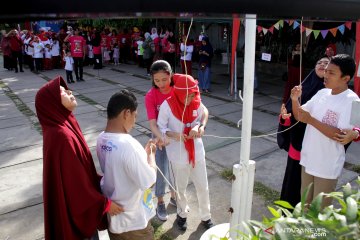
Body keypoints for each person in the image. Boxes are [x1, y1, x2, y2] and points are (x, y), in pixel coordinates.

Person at [35, 76, 123, 240]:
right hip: (77, 217)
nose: (69, 91)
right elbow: (75, 184)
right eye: (62, 92)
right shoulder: (61, 136)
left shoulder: (64, 124)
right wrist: (104, 204)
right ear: (52, 102)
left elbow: (80, 170)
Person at [291, 54, 360, 208]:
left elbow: (343, 135)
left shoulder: (353, 100)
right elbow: (300, 116)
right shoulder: (322, 93)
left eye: (331, 73)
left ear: (345, 78)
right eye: (326, 71)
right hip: (308, 159)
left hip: (327, 165)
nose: (325, 75)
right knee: (305, 206)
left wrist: (312, 120)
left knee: (320, 213)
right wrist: (295, 100)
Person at [96, 89, 157, 240]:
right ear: (126, 113)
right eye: (135, 116)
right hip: (134, 224)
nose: (134, 121)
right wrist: (151, 155)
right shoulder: (128, 144)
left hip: (115, 222)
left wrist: (142, 155)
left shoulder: (101, 139)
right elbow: (149, 181)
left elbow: (121, 166)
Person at [157, 74, 213, 231]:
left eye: (192, 95)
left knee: (203, 186)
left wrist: (200, 126)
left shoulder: (196, 101)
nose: (190, 99)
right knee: (180, 188)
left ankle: (206, 216)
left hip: (197, 151)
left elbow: (204, 112)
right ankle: (182, 214)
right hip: (178, 154)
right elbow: (161, 127)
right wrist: (174, 135)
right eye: (187, 96)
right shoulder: (167, 105)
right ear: (179, 92)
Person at [278, 56, 330, 208]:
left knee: (313, 190)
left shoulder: (335, 94)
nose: (322, 65)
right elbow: (289, 115)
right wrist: (285, 117)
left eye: (326, 63)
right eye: (319, 62)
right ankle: (287, 214)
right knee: (292, 182)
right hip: (298, 144)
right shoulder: (304, 87)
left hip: (320, 148)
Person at [145, 60, 178, 221]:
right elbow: (152, 123)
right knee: (161, 169)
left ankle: (174, 196)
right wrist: (160, 137)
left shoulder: (178, 90)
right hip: (159, 137)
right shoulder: (151, 95)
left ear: (171, 74)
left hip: (176, 136)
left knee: (176, 168)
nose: (161, 84)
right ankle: (160, 201)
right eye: (157, 81)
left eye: (164, 79)